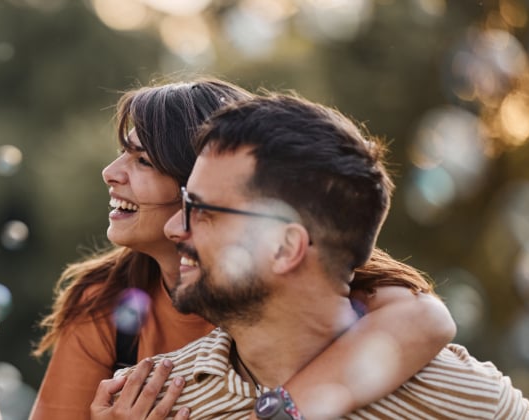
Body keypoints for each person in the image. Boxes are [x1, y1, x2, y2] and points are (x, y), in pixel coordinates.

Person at [31, 79, 457, 419]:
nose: (110, 173)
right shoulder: (104, 304)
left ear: (199, 180)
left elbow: (428, 318)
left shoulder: (309, 272)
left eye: (142, 161)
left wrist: (284, 411)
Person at [93, 93, 529, 419]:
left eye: (202, 211)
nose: (175, 228)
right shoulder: (152, 402)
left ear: (286, 247)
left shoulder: (465, 401)